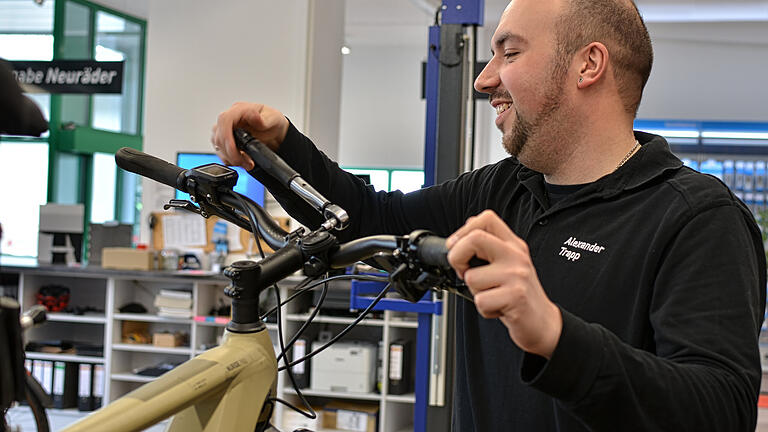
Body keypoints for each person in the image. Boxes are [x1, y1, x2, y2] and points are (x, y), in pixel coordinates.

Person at [211, 0, 766, 430]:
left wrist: (554, 335)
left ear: (587, 65)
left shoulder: (698, 219)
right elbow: (365, 219)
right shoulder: (503, 189)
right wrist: (281, 148)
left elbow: (720, 411)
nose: (483, 78)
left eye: (511, 52)